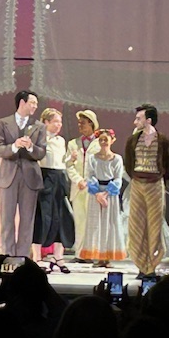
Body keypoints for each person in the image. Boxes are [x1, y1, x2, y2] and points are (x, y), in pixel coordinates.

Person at [0, 90, 47, 258]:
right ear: (22, 103)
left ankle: (22, 257)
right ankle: (7, 256)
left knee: (27, 220)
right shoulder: (2, 123)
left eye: (36, 104)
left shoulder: (39, 126)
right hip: (8, 176)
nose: (35, 106)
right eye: (32, 103)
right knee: (6, 219)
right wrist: (15, 146)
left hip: (30, 177)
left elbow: (41, 152)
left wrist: (30, 147)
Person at [125, 103, 169, 278]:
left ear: (148, 120)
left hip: (155, 183)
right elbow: (128, 163)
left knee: (154, 226)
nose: (135, 122)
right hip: (138, 183)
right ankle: (141, 265)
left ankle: (151, 267)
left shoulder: (164, 141)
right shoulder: (133, 140)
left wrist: (160, 177)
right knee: (136, 226)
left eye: (139, 118)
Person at [32, 108, 75, 272]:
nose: (59, 125)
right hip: (46, 177)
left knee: (61, 217)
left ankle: (58, 257)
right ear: (46, 122)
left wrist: (70, 159)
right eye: (55, 121)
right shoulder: (39, 140)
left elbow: (62, 161)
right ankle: (37, 257)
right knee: (43, 217)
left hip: (60, 178)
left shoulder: (60, 141)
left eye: (60, 122)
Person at [77, 128, 126, 269]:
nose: (103, 142)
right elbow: (90, 175)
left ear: (112, 140)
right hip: (96, 194)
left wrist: (107, 193)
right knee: (96, 225)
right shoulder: (92, 158)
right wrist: (98, 193)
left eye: (106, 139)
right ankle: (98, 256)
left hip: (110, 195)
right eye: (101, 139)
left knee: (110, 224)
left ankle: (108, 257)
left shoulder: (117, 159)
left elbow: (118, 178)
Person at [65, 109, 101, 263]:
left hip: (93, 188)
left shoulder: (100, 143)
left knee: (93, 222)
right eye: (79, 123)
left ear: (92, 124)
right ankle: (80, 253)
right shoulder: (73, 143)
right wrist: (78, 180)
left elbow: (102, 166)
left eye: (83, 123)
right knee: (79, 221)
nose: (80, 126)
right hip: (78, 188)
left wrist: (89, 181)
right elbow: (68, 165)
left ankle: (93, 253)